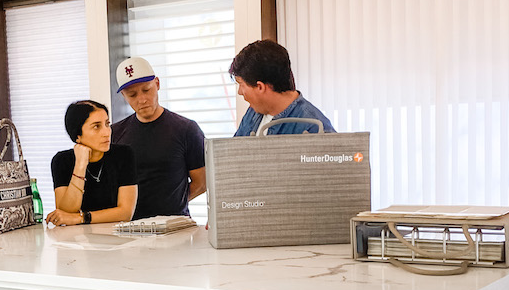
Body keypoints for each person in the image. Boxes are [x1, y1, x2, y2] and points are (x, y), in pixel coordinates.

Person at [111, 56, 206, 218]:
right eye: (132, 95)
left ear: (157, 84)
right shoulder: (115, 133)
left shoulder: (186, 129)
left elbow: (202, 182)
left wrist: (175, 203)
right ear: (124, 97)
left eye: (146, 90)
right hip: (131, 228)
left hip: (175, 227)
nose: (142, 100)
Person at [46, 99, 137, 226]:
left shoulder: (123, 154)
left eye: (107, 124)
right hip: (77, 239)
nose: (107, 132)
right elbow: (66, 212)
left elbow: (126, 213)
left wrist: (81, 218)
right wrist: (80, 165)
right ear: (77, 135)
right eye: (96, 126)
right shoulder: (61, 161)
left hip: (118, 236)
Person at [229, 39, 335, 136]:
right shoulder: (253, 113)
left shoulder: (314, 127)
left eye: (241, 84)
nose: (240, 92)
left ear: (260, 87)